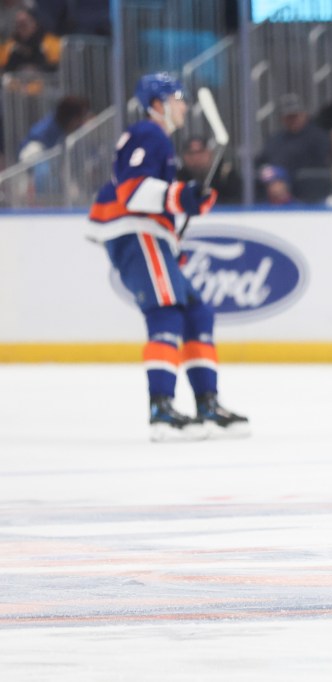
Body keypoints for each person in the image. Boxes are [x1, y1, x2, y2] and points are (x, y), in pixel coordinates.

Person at [86, 72, 250, 442]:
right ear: (158, 104)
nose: (185, 105)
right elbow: (133, 191)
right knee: (165, 310)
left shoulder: (158, 140)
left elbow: (158, 194)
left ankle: (207, 403)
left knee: (196, 312)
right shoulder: (150, 134)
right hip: (136, 233)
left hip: (150, 234)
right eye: (178, 98)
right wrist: (180, 196)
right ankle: (161, 408)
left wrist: (189, 198)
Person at [176, 135, 243, 205]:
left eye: (200, 152)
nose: (196, 158)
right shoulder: (177, 179)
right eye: (190, 153)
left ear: (210, 153)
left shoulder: (225, 176)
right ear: (183, 156)